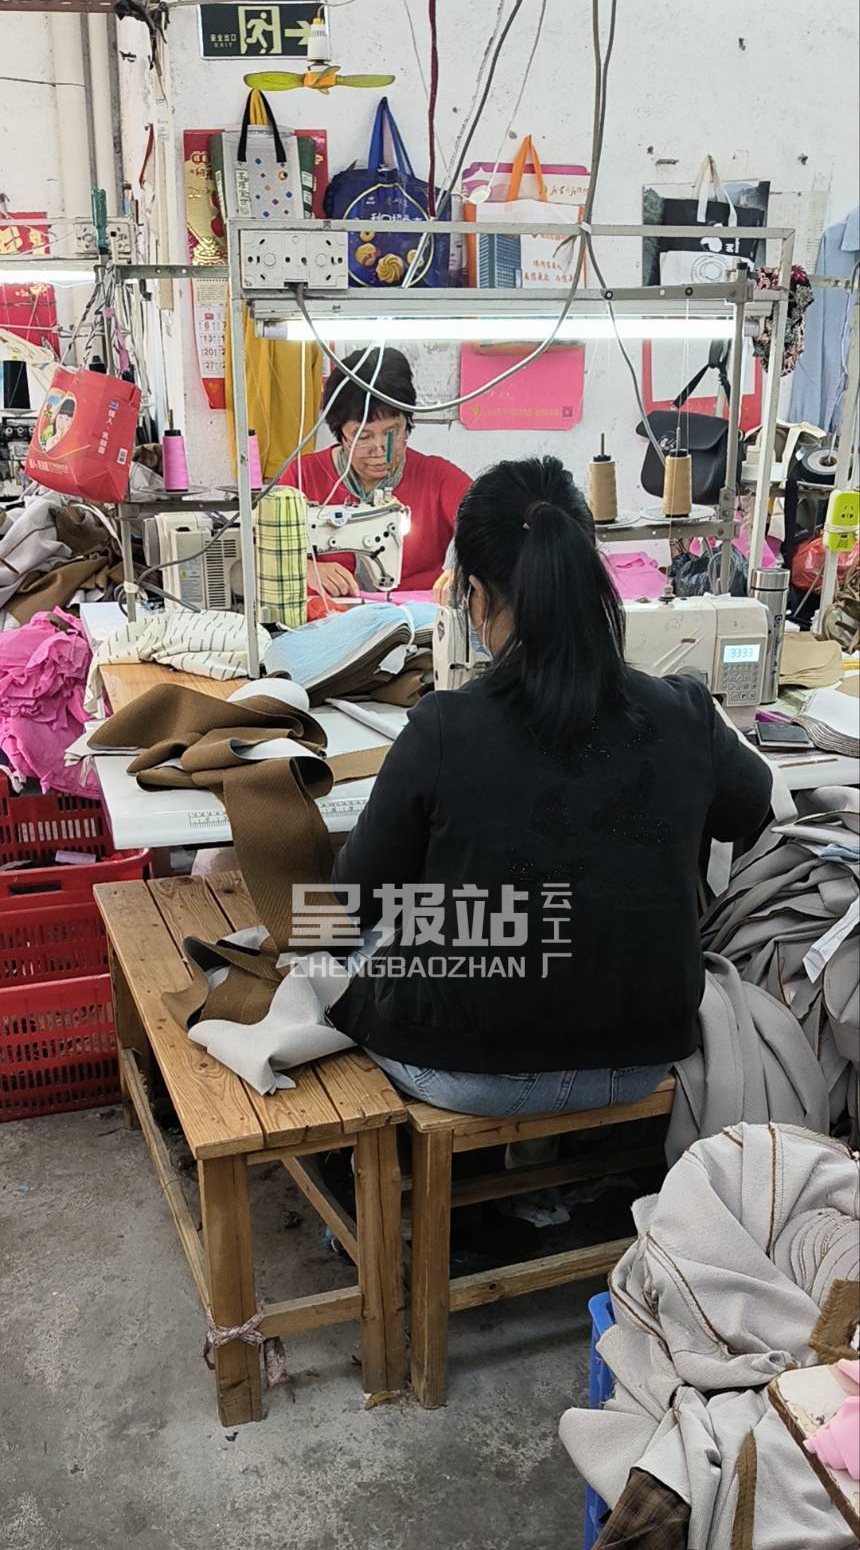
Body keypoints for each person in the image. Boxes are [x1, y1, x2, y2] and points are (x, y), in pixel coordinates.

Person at [328, 455, 773, 1118]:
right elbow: (752, 809)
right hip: (638, 1056)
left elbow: (350, 903)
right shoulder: (684, 711)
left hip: (467, 1068)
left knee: (357, 945)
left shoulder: (444, 727)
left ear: (475, 596)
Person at [280, 348, 470, 598]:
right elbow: (263, 551)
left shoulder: (438, 478)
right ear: (340, 433)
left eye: (392, 433)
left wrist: (469, 572)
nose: (380, 450)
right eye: (363, 437)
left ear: (407, 421)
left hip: (418, 615)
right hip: (327, 614)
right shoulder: (302, 477)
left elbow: (496, 531)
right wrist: (303, 569)